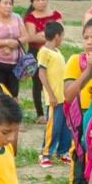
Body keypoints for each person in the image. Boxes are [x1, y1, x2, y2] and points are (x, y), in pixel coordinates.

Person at [35, 22, 69, 167]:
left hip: (64, 96)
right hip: (54, 98)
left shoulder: (57, 51)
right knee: (53, 126)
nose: (62, 38)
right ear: (57, 36)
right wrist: (51, 94)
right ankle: (45, 153)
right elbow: (41, 73)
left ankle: (62, 151)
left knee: (64, 126)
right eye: (62, 36)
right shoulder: (44, 52)